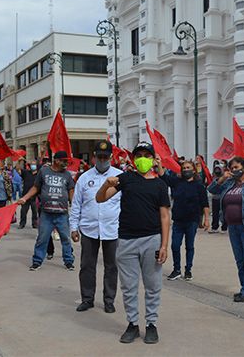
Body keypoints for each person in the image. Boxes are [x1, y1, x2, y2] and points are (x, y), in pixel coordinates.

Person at [96, 141, 170, 344]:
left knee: (152, 285)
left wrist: (164, 245)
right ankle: (133, 324)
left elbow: (165, 217)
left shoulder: (160, 185)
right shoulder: (125, 179)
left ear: (154, 159)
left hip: (152, 240)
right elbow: (100, 199)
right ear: (133, 159)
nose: (143, 159)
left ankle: (151, 324)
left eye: (147, 155)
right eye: (139, 155)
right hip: (127, 240)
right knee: (128, 286)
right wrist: (106, 184)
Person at [70, 141, 122, 313]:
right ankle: (87, 298)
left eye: (105, 157)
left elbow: (125, 205)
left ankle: (109, 300)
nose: (102, 160)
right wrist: (73, 227)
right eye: (99, 157)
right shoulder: (84, 178)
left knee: (111, 266)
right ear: (93, 157)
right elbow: (76, 204)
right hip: (89, 229)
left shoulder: (120, 177)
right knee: (87, 265)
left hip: (112, 229)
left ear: (111, 157)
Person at [208, 156, 244, 303]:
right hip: (233, 227)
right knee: (239, 261)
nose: (234, 170)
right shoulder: (229, 184)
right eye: (232, 168)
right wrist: (221, 178)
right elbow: (211, 190)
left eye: (236, 167)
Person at [18, 151, 75, 271]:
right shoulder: (43, 171)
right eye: (63, 161)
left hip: (62, 213)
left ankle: (68, 261)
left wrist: (75, 206)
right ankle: (37, 261)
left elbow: (71, 191)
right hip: (46, 213)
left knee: (65, 239)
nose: (66, 163)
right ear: (56, 161)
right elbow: (36, 187)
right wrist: (24, 198)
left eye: (66, 161)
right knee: (42, 238)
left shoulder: (67, 175)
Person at [158, 158, 209, 281]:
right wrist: (159, 164)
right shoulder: (177, 182)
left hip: (192, 220)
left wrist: (206, 219)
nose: (186, 170)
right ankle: (176, 269)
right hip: (178, 220)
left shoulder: (199, 186)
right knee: (175, 245)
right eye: (184, 168)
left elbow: (205, 203)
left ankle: (188, 270)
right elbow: (163, 176)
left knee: (189, 246)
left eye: (188, 168)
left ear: (193, 170)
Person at [19, 161, 39, 229]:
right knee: (23, 211)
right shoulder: (26, 172)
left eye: (34, 164)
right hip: (26, 195)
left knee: (35, 211)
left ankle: (34, 223)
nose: (33, 166)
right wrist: (19, 161)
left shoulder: (39, 174)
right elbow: (17, 169)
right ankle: (22, 223)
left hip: (35, 196)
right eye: (32, 164)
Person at [209, 161, 227, 233]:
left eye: (219, 169)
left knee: (224, 213)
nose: (217, 171)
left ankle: (224, 227)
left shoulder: (226, 178)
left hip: (223, 198)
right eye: (216, 169)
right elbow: (211, 188)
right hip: (215, 198)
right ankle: (214, 227)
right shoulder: (214, 178)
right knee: (215, 213)